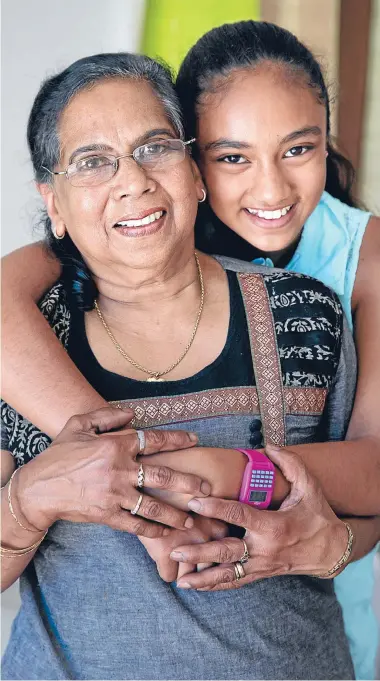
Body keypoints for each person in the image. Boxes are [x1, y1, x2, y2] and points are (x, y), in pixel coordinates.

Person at [0, 50, 379, 680]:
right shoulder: (26, 342)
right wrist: (32, 499)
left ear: (195, 172)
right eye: (92, 162)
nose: (133, 180)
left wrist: (320, 544)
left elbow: (363, 500)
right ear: (54, 204)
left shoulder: (304, 313)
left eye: (154, 147)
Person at [174, 20, 380, 680]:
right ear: (191, 159)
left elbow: (375, 466)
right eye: (233, 157)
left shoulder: (364, 254)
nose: (272, 191)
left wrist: (222, 471)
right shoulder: (155, 242)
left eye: (298, 149)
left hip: (333, 606)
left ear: (327, 139)